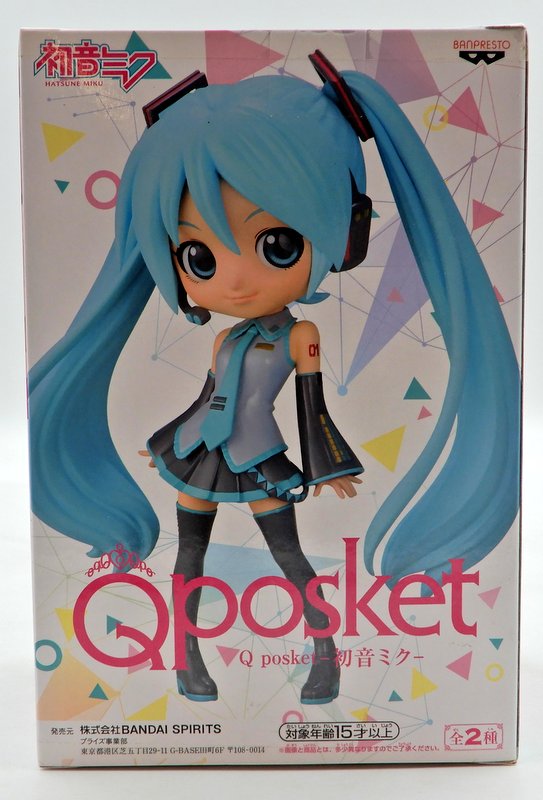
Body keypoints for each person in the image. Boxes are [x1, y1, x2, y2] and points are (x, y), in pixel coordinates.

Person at [28, 54, 520, 705]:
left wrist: (327, 464)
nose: (234, 282)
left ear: (345, 237)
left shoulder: (298, 336)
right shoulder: (226, 337)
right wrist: (169, 440)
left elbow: (310, 406)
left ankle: (325, 659)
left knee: (290, 558)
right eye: (199, 256)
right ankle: (186, 662)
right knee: (189, 558)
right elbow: (211, 396)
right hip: (200, 456)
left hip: (258, 460)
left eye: (275, 245)